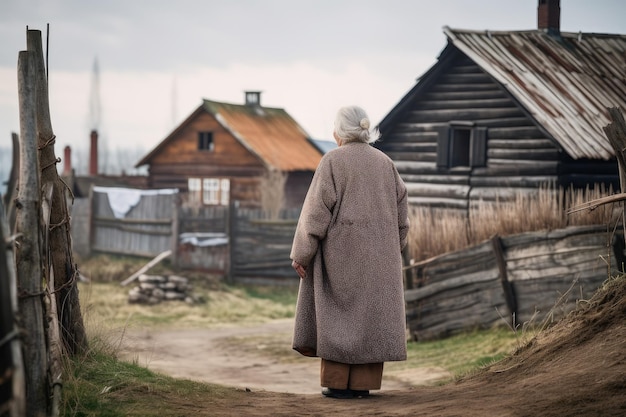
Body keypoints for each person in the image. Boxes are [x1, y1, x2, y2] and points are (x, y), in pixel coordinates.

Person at [290, 105, 410, 399]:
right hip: (380, 260)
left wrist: (301, 254)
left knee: (338, 317)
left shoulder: (332, 161)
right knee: (370, 318)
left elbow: (314, 214)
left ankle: (337, 382)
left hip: (340, 256)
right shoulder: (386, 163)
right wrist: (389, 251)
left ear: (339, 132)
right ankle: (362, 385)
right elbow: (403, 220)